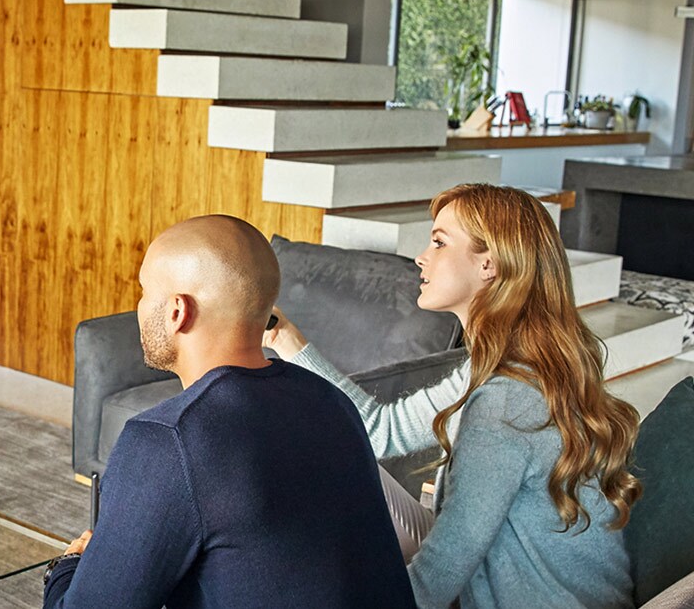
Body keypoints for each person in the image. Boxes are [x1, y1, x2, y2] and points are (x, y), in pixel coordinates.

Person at [264, 183, 641, 609]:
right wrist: (284, 337)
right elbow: (379, 430)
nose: (421, 258)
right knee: (341, 450)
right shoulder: (501, 367)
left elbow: (436, 578)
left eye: (439, 242)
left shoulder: (505, 399)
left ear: (488, 264)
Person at [43, 215, 414, 609]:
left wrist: (66, 566)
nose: (139, 305)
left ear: (177, 311)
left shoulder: (167, 440)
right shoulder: (330, 400)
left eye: (145, 291)